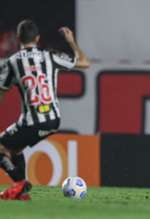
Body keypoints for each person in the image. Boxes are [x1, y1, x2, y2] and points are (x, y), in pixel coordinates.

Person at [0, 19, 90, 200]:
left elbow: (1, 91)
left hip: (32, 121)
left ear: (18, 38)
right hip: (54, 120)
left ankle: (19, 184)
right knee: (15, 150)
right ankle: (20, 191)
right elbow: (84, 63)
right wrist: (71, 41)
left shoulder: (12, 62)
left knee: (2, 148)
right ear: (38, 38)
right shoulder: (50, 56)